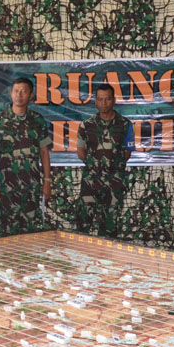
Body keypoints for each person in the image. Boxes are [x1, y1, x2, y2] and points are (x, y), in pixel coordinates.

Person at [0, 77, 52, 236]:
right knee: (7, 232)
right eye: (16, 91)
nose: (19, 95)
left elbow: (44, 153)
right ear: (10, 94)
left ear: (31, 95)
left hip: (31, 187)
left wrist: (47, 181)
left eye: (24, 91)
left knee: (31, 232)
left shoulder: (38, 121)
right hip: (6, 188)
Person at [76, 83, 132, 237]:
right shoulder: (86, 125)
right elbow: (81, 152)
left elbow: (128, 152)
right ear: (95, 101)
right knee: (83, 223)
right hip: (91, 182)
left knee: (110, 226)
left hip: (114, 182)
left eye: (107, 99)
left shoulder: (126, 125)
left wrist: (112, 166)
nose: (104, 103)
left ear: (113, 100)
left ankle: (107, 259)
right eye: (100, 99)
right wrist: (95, 165)